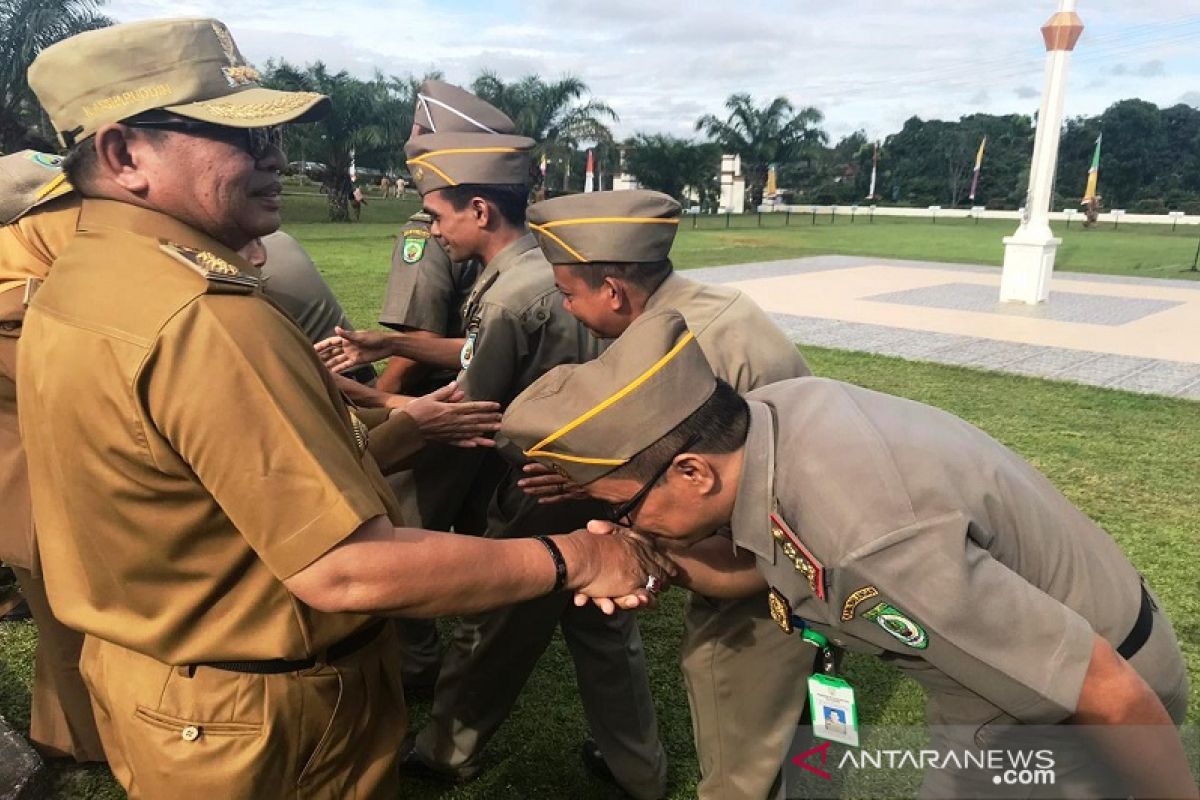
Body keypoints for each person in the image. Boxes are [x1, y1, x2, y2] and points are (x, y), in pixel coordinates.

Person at [21, 18, 672, 799]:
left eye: (273, 137)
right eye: (238, 137)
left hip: (171, 684)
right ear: (125, 153)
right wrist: (579, 558)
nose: (275, 159)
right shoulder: (205, 317)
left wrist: (392, 416)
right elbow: (344, 566)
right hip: (262, 712)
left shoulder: (80, 276)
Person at [501, 309, 1197, 800]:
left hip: (1075, 710)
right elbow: (771, 562)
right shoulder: (771, 416)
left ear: (692, 473)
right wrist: (653, 559)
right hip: (996, 681)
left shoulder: (867, 542)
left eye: (621, 507)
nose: (621, 522)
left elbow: (1105, 692)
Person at [522, 189, 820, 800]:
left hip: (760, 562)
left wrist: (598, 491)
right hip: (798, 536)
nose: (566, 307)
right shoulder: (697, 310)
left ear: (613, 291)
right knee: (800, 737)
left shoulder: (689, 346)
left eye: (568, 293)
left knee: (738, 733)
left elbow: (683, 475)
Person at [395, 132, 668, 798]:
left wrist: (364, 403)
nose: (431, 232)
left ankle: (445, 751)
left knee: (492, 625)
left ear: (481, 211)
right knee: (604, 625)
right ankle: (638, 767)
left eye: (437, 216)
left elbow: (472, 413)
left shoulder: (511, 295)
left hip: (535, 486)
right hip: (608, 477)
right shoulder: (563, 269)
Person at [0, 150, 105, 765]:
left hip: (23, 489)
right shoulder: (29, 299)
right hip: (61, 488)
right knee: (83, 631)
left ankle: (63, 733)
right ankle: (98, 744)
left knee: (57, 623)